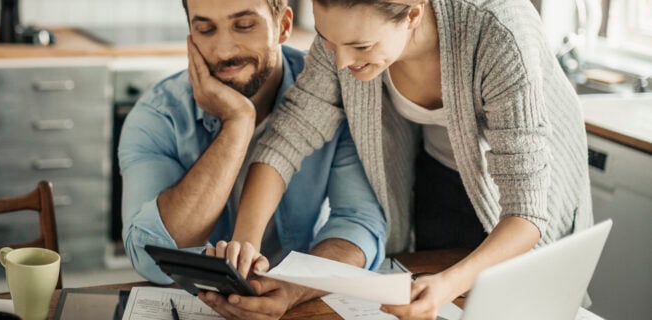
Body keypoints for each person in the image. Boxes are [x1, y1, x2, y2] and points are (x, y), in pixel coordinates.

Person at [223, 0, 594, 319]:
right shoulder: (343, 36)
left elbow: (527, 212)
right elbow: (289, 136)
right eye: (327, 40)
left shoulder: (499, 31)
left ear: (413, 15)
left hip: (527, 199)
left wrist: (448, 284)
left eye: (360, 46)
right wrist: (245, 245)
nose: (340, 62)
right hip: (439, 174)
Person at [118, 0, 387, 318]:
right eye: (205, 29)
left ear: (284, 25)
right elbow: (150, 258)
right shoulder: (159, 115)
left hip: (300, 302)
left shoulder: (331, 94)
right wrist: (237, 124)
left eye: (244, 26)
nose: (223, 51)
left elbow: (359, 223)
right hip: (199, 307)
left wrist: (294, 289)